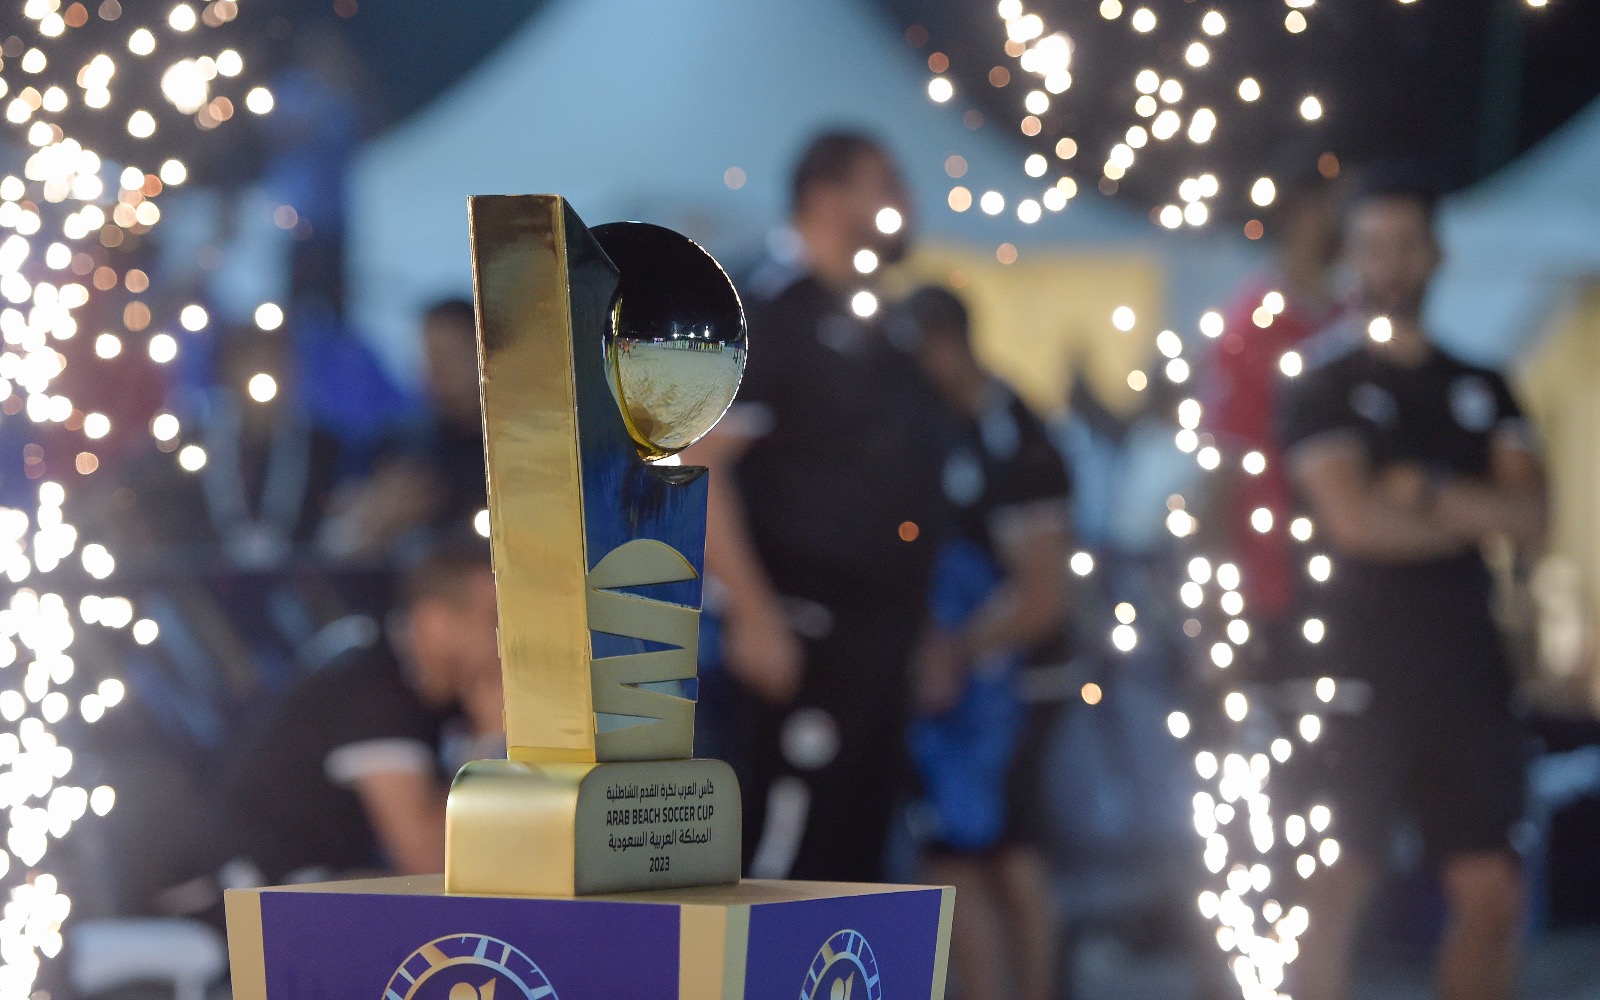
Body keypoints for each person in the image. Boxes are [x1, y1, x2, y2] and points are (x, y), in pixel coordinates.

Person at [1279, 165, 1545, 1000]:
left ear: (1435, 255)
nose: (1389, 266)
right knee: (1332, 883)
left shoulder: (1482, 383)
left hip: (1467, 669)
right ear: (1349, 258)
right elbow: (1355, 522)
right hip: (1356, 666)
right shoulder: (1322, 381)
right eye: (1373, 248)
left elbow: (1532, 517)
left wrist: (1422, 490)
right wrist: (1471, 514)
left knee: (1492, 891)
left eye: (1405, 246)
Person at [683, 130, 946, 882]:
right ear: (826, 198)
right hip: (799, 630)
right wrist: (752, 612)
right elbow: (700, 464)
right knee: (788, 858)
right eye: (885, 185)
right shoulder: (765, 310)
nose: (905, 203)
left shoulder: (884, 321)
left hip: (880, 639)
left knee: (858, 856)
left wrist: (922, 625)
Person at [898, 286, 1069, 1000]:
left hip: (1012, 686)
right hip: (964, 687)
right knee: (964, 854)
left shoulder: (1015, 437)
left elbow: (1043, 594)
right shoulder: (936, 425)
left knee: (1000, 855)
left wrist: (952, 651)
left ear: (943, 348)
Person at [225, 533, 504, 883]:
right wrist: (489, 742)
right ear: (434, 621)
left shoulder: (428, 692)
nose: (505, 639)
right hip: (249, 895)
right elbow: (429, 859)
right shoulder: (372, 692)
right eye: (492, 619)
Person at [1202, 157, 1343, 675]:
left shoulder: (1353, 318)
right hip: (1275, 586)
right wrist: (1220, 611)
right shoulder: (1250, 329)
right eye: (1337, 205)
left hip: (1356, 579)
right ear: (1301, 212)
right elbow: (1221, 471)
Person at [321, 299, 488, 558]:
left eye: (450, 354)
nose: (437, 368)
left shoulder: (511, 450)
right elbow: (339, 538)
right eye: (429, 355)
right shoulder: (401, 446)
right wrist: (378, 517)